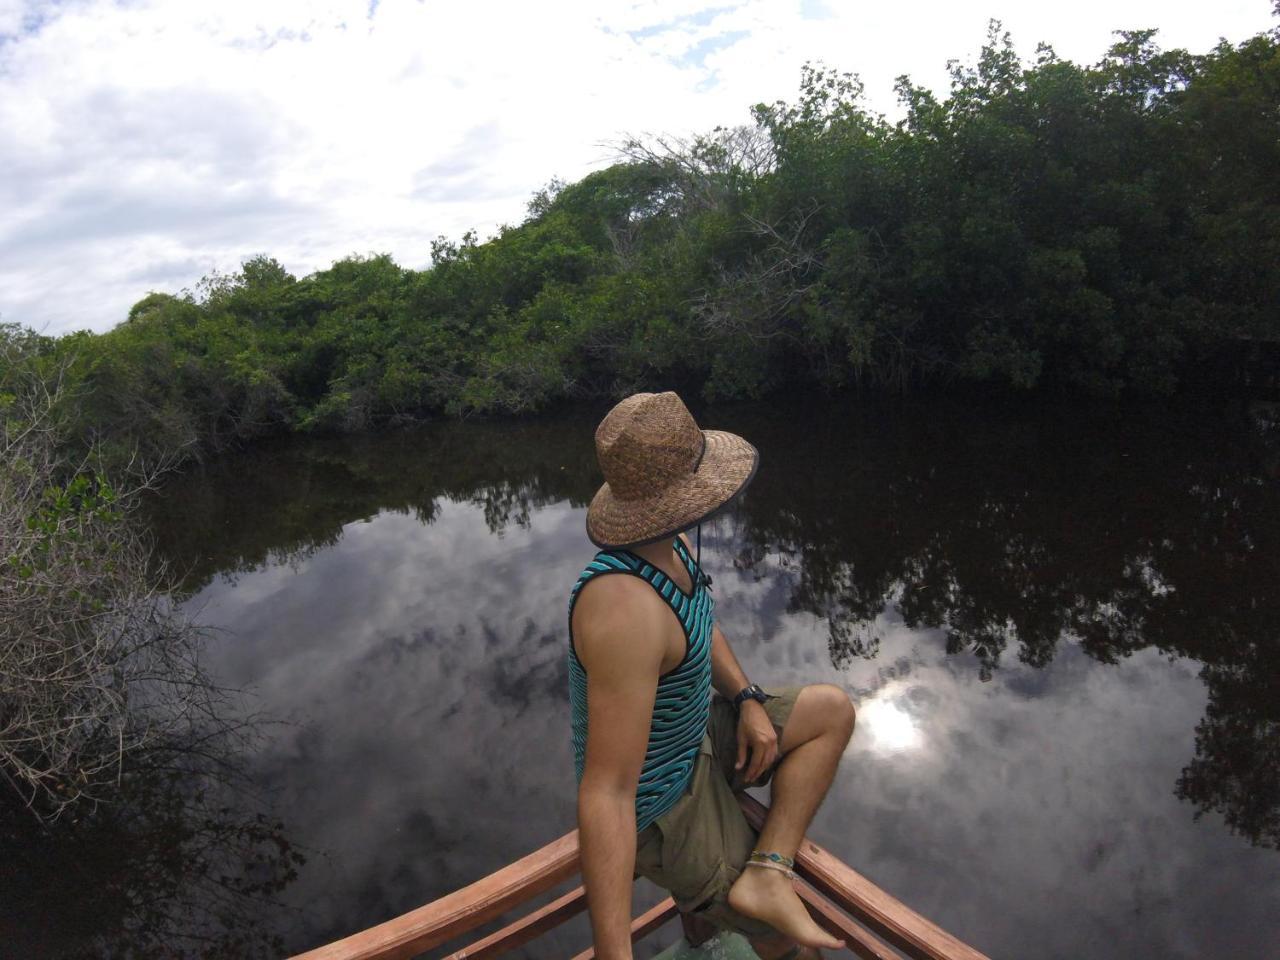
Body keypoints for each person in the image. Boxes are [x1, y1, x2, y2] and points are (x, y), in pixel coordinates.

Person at [568, 391, 857, 960]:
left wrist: (747, 698)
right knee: (792, 948)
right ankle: (752, 907)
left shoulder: (664, 542)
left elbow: (699, 620)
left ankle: (768, 870)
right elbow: (607, 792)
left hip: (696, 738)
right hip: (664, 806)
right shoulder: (623, 610)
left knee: (831, 712)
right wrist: (613, 952)